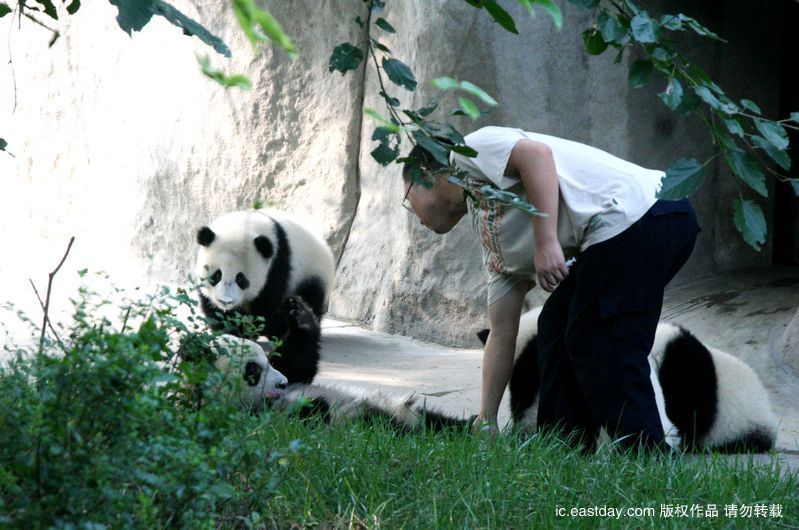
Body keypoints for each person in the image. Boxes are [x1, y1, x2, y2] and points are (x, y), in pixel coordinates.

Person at [401, 126, 699, 450]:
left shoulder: (467, 151)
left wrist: (546, 242)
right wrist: (486, 418)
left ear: (424, 174)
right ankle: (562, 449)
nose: (413, 217)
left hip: (644, 214)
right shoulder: (494, 234)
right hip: (626, 231)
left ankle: (646, 456)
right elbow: (502, 334)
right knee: (554, 328)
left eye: (406, 198)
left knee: (601, 339)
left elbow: (536, 154)